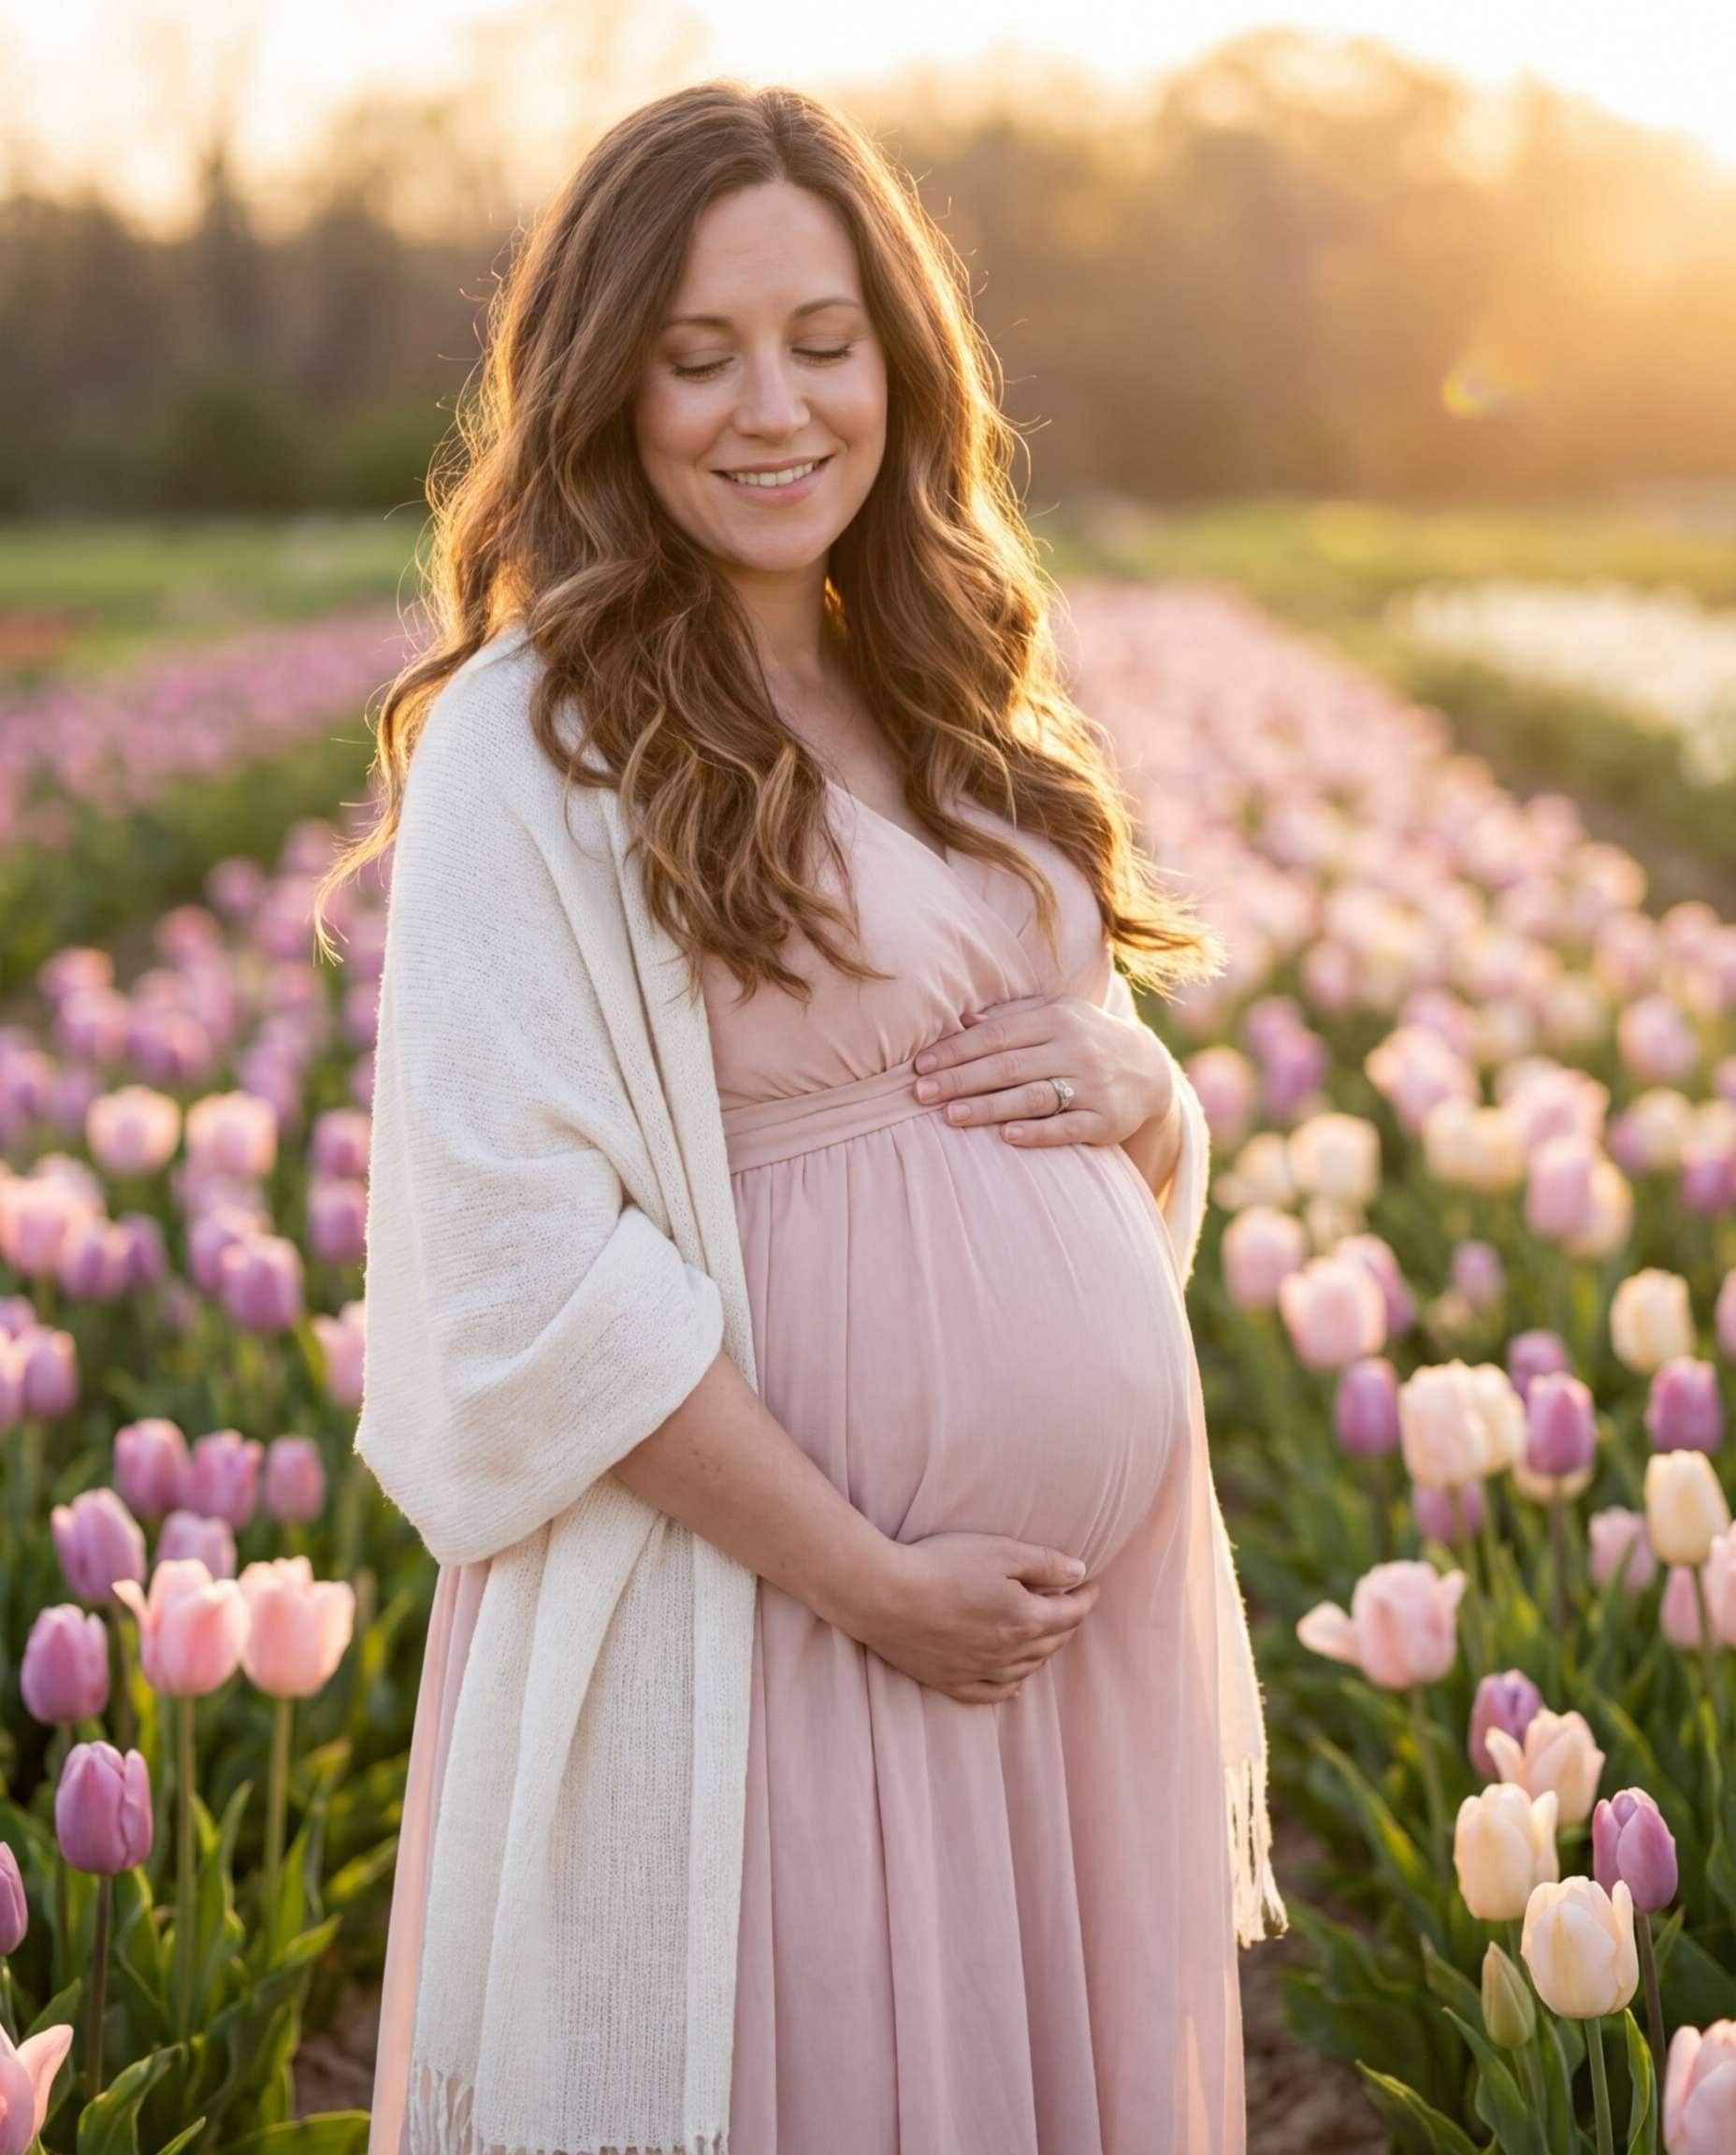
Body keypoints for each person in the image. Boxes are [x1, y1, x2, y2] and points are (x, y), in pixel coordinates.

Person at [318, 78, 1285, 2155]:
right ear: (607, 388)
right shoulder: (533, 742)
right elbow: (520, 1265)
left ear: (900, 364)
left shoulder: (941, 685)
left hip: (1045, 1656)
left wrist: (1147, 1090)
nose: (775, 408)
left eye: (824, 342)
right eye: (700, 355)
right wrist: (866, 1577)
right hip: (774, 1629)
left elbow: (1071, 1095)